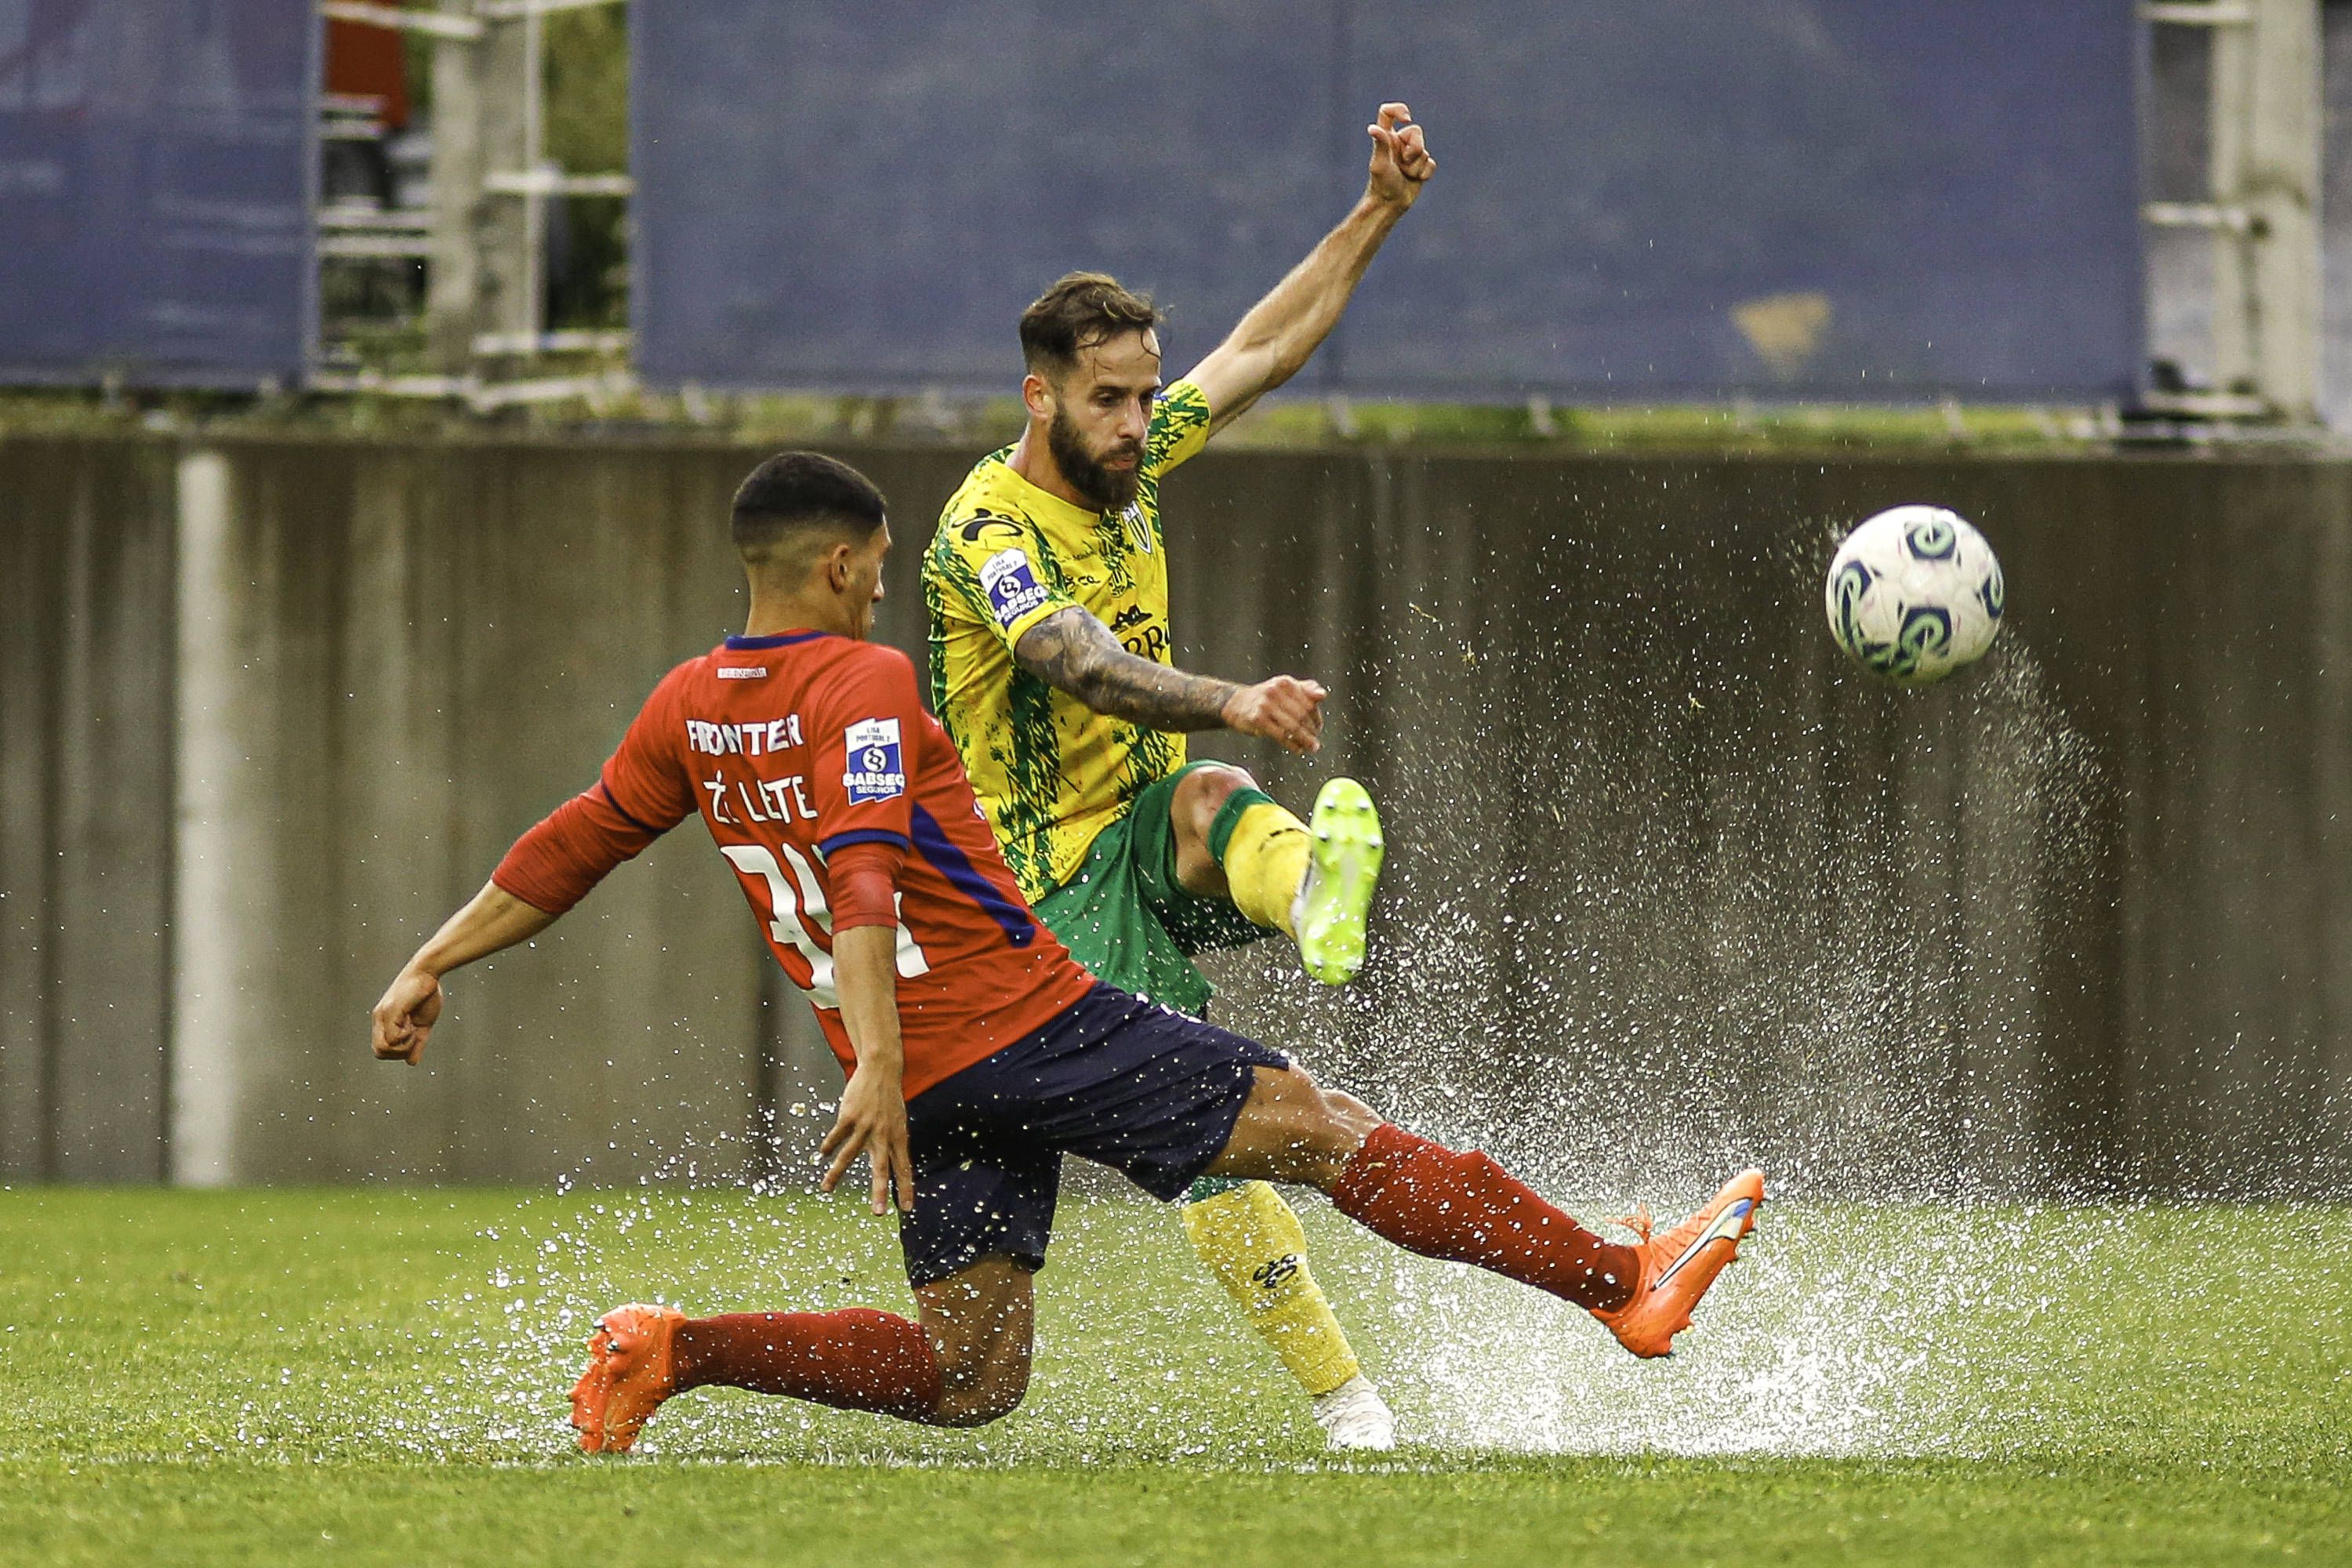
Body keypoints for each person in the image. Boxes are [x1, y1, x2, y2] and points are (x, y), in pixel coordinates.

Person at [369, 452, 1765, 1454]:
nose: (878, 592)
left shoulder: (692, 702)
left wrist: (430, 960)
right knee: (1329, 1133)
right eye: (874, 568)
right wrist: (888, 1058)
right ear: (845, 565)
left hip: (916, 1071)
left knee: (969, 1376)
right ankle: (1618, 1287)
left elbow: (584, 838)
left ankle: (671, 1352)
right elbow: (862, 866)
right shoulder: (865, 675)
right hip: (1019, 1024)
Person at [919, 103, 1436, 1448]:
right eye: (1112, 398)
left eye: (1149, 392)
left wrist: (1377, 208)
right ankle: (1347, 1400)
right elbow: (1076, 662)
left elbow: (1263, 347)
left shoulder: (1133, 468)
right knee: (1213, 1118)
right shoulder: (987, 527)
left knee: (1206, 796)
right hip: (1039, 887)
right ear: (1041, 395)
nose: (1141, 418)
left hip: (1141, 827)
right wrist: (1233, 697)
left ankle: (1312, 891)